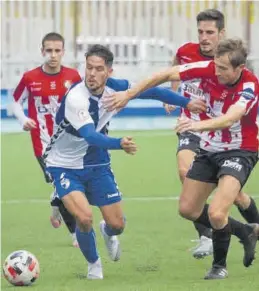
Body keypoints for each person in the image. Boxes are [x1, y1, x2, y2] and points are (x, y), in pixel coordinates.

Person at [44, 44, 206, 279]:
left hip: (96, 162)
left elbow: (153, 91)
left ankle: (108, 232)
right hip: (64, 164)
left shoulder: (115, 87)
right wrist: (119, 143)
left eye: (98, 69)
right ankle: (94, 265)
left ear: (109, 71)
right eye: (88, 67)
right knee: (84, 217)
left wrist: (186, 103)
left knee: (117, 224)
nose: (91, 73)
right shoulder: (76, 97)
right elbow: (90, 135)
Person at [103, 38, 259, 279]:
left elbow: (230, 119)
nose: (216, 72)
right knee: (187, 209)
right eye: (216, 66)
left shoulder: (249, 85)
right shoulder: (210, 68)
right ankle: (246, 231)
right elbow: (166, 74)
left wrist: (196, 125)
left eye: (223, 69)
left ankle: (219, 267)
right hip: (210, 149)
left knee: (218, 213)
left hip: (240, 150)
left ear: (239, 69)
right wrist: (129, 94)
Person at [163, 8, 259, 259]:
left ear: (221, 34)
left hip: (224, 134)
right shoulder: (187, 52)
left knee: (232, 196)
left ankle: (247, 227)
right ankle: (207, 234)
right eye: (200, 32)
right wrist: (173, 96)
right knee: (186, 174)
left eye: (209, 32)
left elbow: (234, 114)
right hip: (192, 125)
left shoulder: (232, 66)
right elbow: (173, 67)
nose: (204, 37)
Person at [11, 32, 82, 247]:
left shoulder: (73, 77)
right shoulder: (30, 78)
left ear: (63, 52)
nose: (53, 55)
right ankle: (75, 234)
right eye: (49, 50)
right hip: (43, 144)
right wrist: (23, 118)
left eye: (57, 51)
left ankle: (55, 203)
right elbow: (15, 102)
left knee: (68, 185)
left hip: (69, 142)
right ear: (42, 51)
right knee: (63, 186)